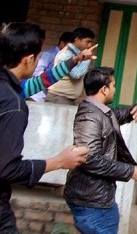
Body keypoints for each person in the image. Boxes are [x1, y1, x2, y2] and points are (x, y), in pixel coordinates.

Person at [0, 22, 89, 233]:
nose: (39, 60)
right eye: (38, 56)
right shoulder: (13, 105)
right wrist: (59, 161)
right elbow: (7, 169)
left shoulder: (10, 88)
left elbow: (41, 82)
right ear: (28, 59)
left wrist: (73, 62)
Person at [63, 66, 137, 234]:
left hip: (98, 198)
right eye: (114, 85)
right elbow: (90, 159)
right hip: (91, 200)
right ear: (104, 89)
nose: (115, 89)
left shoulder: (102, 112)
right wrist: (130, 170)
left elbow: (124, 114)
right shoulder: (89, 117)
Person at [21, 44, 97, 100]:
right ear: (29, 60)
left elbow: (51, 76)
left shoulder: (19, 88)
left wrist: (78, 58)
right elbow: (50, 77)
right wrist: (84, 60)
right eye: (38, 57)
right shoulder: (21, 89)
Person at [46, 27, 95, 105]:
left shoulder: (77, 53)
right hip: (59, 98)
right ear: (77, 39)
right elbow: (75, 74)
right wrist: (86, 60)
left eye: (91, 42)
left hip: (65, 98)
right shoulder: (66, 54)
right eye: (88, 41)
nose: (90, 45)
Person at [29, 31, 74, 102]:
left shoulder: (67, 57)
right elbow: (37, 70)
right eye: (70, 47)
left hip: (50, 96)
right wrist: (49, 82)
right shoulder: (50, 54)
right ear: (62, 43)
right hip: (38, 95)